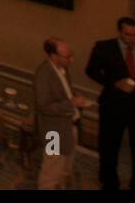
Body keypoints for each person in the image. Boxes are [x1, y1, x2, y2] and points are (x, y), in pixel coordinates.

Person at [85, 17, 135, 190]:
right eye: (128, 35)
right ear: (120, 32)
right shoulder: (104, 48)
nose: (132, 39)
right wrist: (114, 82)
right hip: (113, 107)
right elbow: (91, 71)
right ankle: (109, 182)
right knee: (109, 149)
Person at [33, 37, 94, 189]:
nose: (72, 60)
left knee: (64, 166)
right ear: (54, 56)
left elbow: (65, 92)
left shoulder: (63, 69)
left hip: (68, 127)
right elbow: (43, 106)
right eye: (68, 57)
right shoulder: (43, 75)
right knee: (50, 171)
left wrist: (76, 98)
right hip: (53, 131)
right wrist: (72, 103)